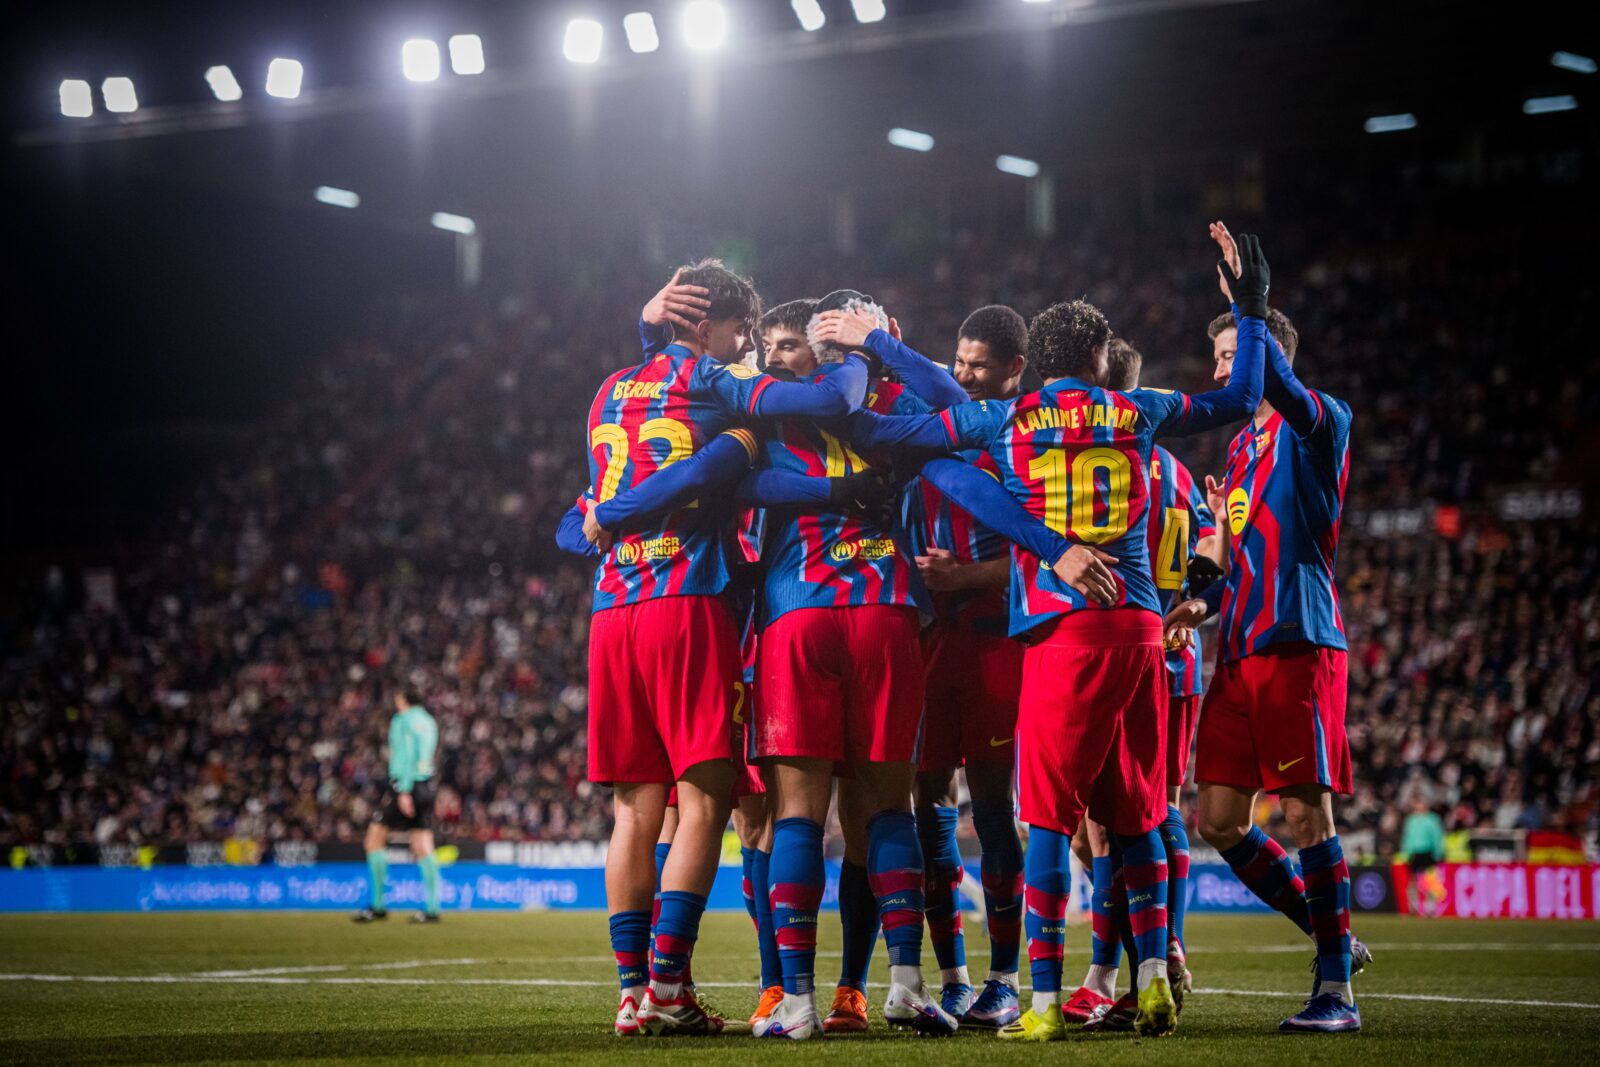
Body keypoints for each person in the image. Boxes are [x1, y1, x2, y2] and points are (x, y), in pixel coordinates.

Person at [843, 235, 1269, 1040]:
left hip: (1062, 632)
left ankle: (1040, 999)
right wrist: (1250, 310)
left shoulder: (1009, 417)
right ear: (1100, 359)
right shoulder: (1139, 410)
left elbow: (919, 449)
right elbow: (1244, 397)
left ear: (1034, 363)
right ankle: (1152, 978)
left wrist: (872, 352)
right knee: (1138, 815)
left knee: (1045, 818)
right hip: (1141, 631)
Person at [575, 261, 868, 1038]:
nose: (749, 349)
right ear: (708, 328)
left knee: (634, 808)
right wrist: (859, 354)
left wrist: (647, 330)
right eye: (742, 333)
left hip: (612, 606)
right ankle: (670, 984)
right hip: (686, 599)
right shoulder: (717, 384)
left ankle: (632, 991)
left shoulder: (609, 391)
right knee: (705, 798)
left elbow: (581, 517)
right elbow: (819, 403)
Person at [1163, 221, 1367, 1034]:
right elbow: (1228, 555)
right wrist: (1198, 598)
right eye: (1219, 359)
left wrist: (1252, 306)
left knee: (1306, 815)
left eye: (1232, 356)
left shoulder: (1320, 424)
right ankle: (1334, 936)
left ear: (1266, 352)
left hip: (1296, 643)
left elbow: (1281, 389)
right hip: (1239, 651)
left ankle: (1336, 990)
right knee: (1218, 818)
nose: (1222, 372)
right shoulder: (1242, 454)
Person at [819, 302, 1033, 1028]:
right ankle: (955, 976)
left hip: (995, 640)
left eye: (980, 366)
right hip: (926, 642)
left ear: (1015, 370)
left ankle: (1005, 978)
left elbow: (1042, 551)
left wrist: (966, 577)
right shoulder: (929, 427)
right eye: (960, 362)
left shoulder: (1018, 434)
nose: (966, 375)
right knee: (928, 802)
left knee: (997, 807)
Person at [354, 686, 441, 924]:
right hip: (426, 785)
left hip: (405, 787)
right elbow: (425, 756)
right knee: (423, 845)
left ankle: (378, 905)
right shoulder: (428, 721)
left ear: (403, 699)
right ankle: (432, 908)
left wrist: (403, 790)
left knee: (374, 840)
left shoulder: (402, 721)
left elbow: (406, 754)